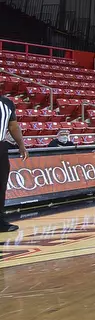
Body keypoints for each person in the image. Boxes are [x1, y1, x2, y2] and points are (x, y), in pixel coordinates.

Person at [1, 94, 28, 233]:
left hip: (1, 146)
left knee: (1, 186)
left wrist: (21, 145)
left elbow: (13, 126)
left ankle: (0, 221)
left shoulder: (7, 103)